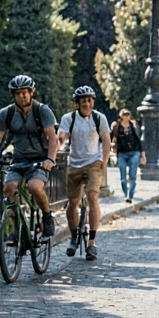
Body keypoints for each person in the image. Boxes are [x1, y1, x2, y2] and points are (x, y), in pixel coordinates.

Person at [0, 75, 59, 237]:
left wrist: (50, 159)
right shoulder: (7, 113)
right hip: (19, 159)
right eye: (18, 93)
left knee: (35, 187)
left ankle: (46, 215)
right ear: (13, 95)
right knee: (9, 188)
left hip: (40, 160)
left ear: (32, 92)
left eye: (25, 92)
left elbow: (52, 137)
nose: (22, 96)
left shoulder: (42, 111)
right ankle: (18, 228)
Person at [57, 86, 112, 260]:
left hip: (94, 161)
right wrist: (57, 144)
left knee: (92, 196)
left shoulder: (99, 118)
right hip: (74, 162)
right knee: (72, 203)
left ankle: (92, 242)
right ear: (77, 104)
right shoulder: (69, 118)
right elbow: (61, 137)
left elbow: (106, 141)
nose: (87, 104)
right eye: (83, 101)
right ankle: (74, 236)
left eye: (89, 100)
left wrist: (103, 161)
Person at [113, 109, 145, 202]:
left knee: (132, 175)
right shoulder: (117, 126)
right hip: (122, 153)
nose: (126, 117)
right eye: (124, 115)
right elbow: (113, 137)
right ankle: (125, 194)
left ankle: (130, 196)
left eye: (128, 115)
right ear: (121, 116)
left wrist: (142, 154)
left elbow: (139, 140)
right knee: (123, 177)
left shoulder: (133, 126)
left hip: (134, 151)